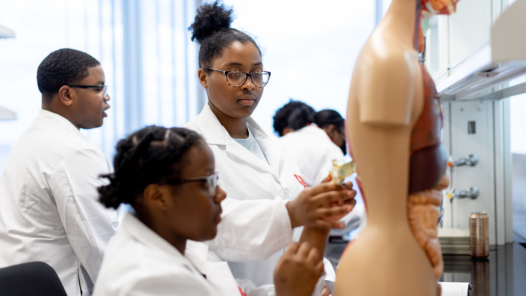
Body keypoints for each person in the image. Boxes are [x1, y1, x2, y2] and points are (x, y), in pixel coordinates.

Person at [184, 2, 355, 295]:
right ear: (203, 77)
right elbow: (210, 241)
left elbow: (303, 228)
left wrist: (321, 279)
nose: (249, 85)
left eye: (257, 74)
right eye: (234, 73)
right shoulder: (188, 150)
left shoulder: (273, 147)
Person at [93, 126, 352, 296]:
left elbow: (229, 290)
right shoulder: (146, 280)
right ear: (157, 196)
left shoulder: (182, 243)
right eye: (208, 183)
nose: (222, 194)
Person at [0, 48, 117, 296]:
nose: (106, 98)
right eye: (98, 88)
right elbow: (103, 252)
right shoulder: (74, 153)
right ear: (66, 94)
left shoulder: (31, 140)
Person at [274, 100, 347, 187]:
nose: (346, 141)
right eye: (344, 134)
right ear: (332, 131)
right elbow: (331, 192)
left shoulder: (280, 140)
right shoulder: (333, 151)